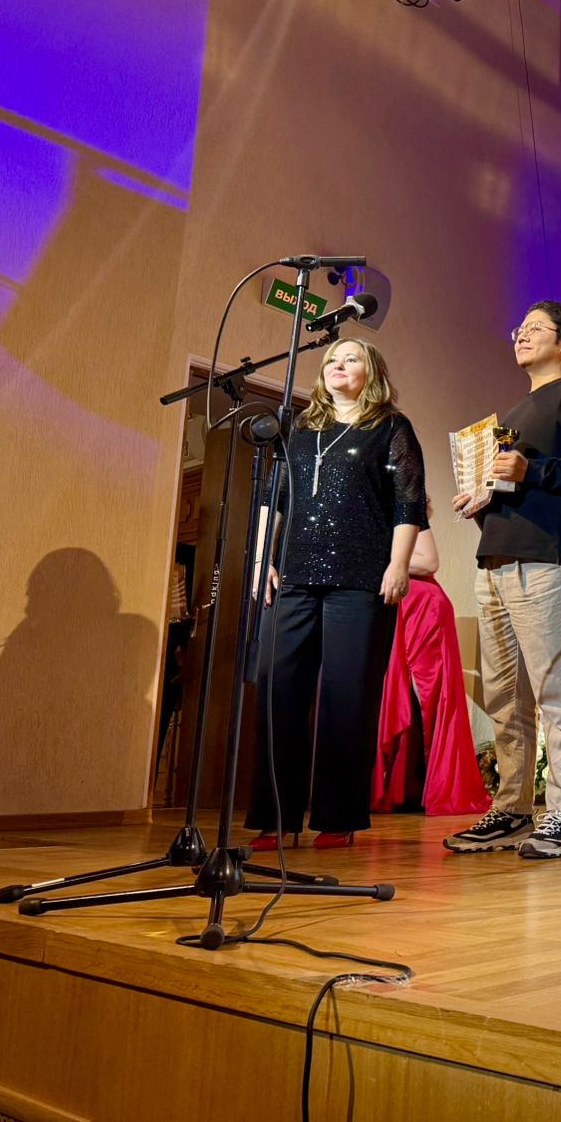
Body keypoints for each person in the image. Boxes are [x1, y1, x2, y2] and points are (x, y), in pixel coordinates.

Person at [248, 337, 427, 850]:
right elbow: (274, 499)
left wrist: (397, 565)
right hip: (294, 575)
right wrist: (261, 561)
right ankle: (276, 817)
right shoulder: (299, 429)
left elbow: (408, 503)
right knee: (279, 692)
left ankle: (337, 817)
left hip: (361, 579)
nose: (337, 365)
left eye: (351, 358)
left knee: (348, 698)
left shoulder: (390, 427)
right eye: (331, 359)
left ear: (372, 372)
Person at [443, 301, 561, 858]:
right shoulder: (514, 411)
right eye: (520, 329)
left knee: (557, 691)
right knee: (506, 699)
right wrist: (482, 499)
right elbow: (518, 487)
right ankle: (512, 808)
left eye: (536, 328)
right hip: (494, 559)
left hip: (546, 560)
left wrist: (529, 469)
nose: (522, 335)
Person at [373, 517, 491, 818]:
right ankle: (401, 789)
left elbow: (429, 562)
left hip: (421, 606)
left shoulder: (409, 509)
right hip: (394, 604)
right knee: (393, 696)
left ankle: (442, 786)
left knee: (433, 698)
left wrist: (377, 557)